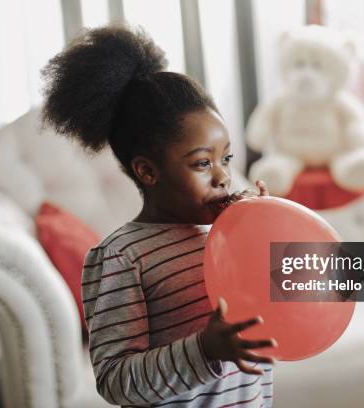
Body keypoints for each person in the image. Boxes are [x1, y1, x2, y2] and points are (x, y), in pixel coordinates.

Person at [41, 24, 277, 407]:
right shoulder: (122, 256)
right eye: (202, 162)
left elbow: (280, 301)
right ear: (148, 171)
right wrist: (205, 350)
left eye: (226, 158)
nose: (223, 176)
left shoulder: (229, 232)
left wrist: (265, 231)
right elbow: (115, 380)